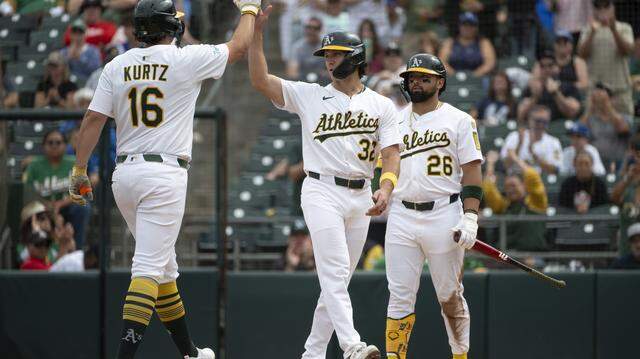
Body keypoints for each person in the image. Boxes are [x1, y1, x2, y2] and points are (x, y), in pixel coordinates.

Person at [68, 0, 259, 357]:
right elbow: (239, 47)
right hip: (163, 175)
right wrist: (249, 8)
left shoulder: (116, 64)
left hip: (123, 175)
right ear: (169, 26)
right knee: (148, 269)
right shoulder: (184, 59)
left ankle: (189, 352)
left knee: (164, 269)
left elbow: (93, 120)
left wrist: (79, 169)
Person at [248, 7, 401, 358]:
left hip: (362, 194)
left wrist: (387, 186)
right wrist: (257, 36)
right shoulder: (310, 94)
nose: (329, 61)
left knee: (338, 281)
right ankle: (351, 346)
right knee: (333, 273)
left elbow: (392, 154)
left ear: (357, 57)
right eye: (326, 55)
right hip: (321, 190)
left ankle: (313, 353)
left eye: (336, 55)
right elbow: (260, 80)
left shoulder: (381, 105)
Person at [384, 53, 483, 359]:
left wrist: (470, 217)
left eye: (424, 77)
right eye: (412, 77)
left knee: (450, 296)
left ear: (440, 82)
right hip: (401, 213)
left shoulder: (459, 120)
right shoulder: (393, 120)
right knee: (399, 296)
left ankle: (459, 355)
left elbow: (472, 171)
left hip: (444, 212)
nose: (416, 82)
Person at [23, 129, 90, 248]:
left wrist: (60, 204)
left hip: (67, 206)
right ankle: (37, 253)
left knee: (82, 207)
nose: (54, 146)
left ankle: (77, 251)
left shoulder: (74, 162)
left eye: (58, 143)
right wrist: (47, 206)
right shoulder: (34, 165)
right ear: (43, 146)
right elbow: (28, 191)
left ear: (65, 145)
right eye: (50, 143)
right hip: (42, 207)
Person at [483, 150, 549, 251]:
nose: (510, 190)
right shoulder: (504, 205)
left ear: (524, 185)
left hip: (533, 255)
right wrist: (490, 163)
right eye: (507, 187)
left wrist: (515, 158)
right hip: (508, 257)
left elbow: (533, 177)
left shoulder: (536, 203)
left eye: (513, 186)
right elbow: (488, 190)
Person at [577, 0, 635, 115]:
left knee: (625, 129)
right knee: (594, 130)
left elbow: (627, 52)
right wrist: (592, 33)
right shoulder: (587, 30)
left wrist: (613, 30)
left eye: (606, 7)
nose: (603, 10)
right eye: (598, 7)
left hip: (620, 91)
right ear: (594, 10)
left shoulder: (624, 28)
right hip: (595, 92)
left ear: (613, 8)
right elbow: (581, 54)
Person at [580, 82, 632, 171]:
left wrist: (607, 105)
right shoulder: (590, 119)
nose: (601, 99)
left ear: (612, 99)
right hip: (595, 162)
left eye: (606, 96)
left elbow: (623, 129)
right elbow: (579, 131)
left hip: (618, 162)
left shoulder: (623, 117)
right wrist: (590, 107)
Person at [517, 50, 581, 121]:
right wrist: (535, 98)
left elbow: (573, 112)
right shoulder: (531, 89)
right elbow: (521, 116)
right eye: (542, 66)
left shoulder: (568, 87)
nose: (546, 69)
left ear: (557, 67)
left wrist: (556, 94)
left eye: (550, 65)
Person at [501, 105, 563, 175]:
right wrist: (519, 144)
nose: (541, 125)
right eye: (538, 121)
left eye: (545, 122)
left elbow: (555, 170)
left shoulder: (553, 142)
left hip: (540, 181)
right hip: (516, 178)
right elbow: (505, 165)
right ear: (529, 120)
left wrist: (534, 156)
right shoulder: (515, 136)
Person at [438, 12, 496, 77]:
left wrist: (474, 75)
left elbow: (490, 63)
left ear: (476, 27)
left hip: (478, 79)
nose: (468, 28)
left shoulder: (484, 42)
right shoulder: (450, 42)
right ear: (459, 26)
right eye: (464, 24)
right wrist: (455, 75)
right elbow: (442, 62)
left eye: (471, 25)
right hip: (452, 79)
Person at [286, 17, 328, 84]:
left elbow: (332, 70)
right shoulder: (297, 47)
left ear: (321, 30)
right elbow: (292, 72)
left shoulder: (326, 47)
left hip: (323, 82)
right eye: (308, 27)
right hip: (302, 82)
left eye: (315, 28)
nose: (311, 31)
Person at [61, 19, 103, 84]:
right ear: (70, 34)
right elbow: (58, 71)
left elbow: (97, 71)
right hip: (68, 85)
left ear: (85, 34)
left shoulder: (93, 50)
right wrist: (68, 59)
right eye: (74, 32)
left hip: (87, 83)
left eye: (80, 33)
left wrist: (80, 59)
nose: (77, 36)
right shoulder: (64, 51)